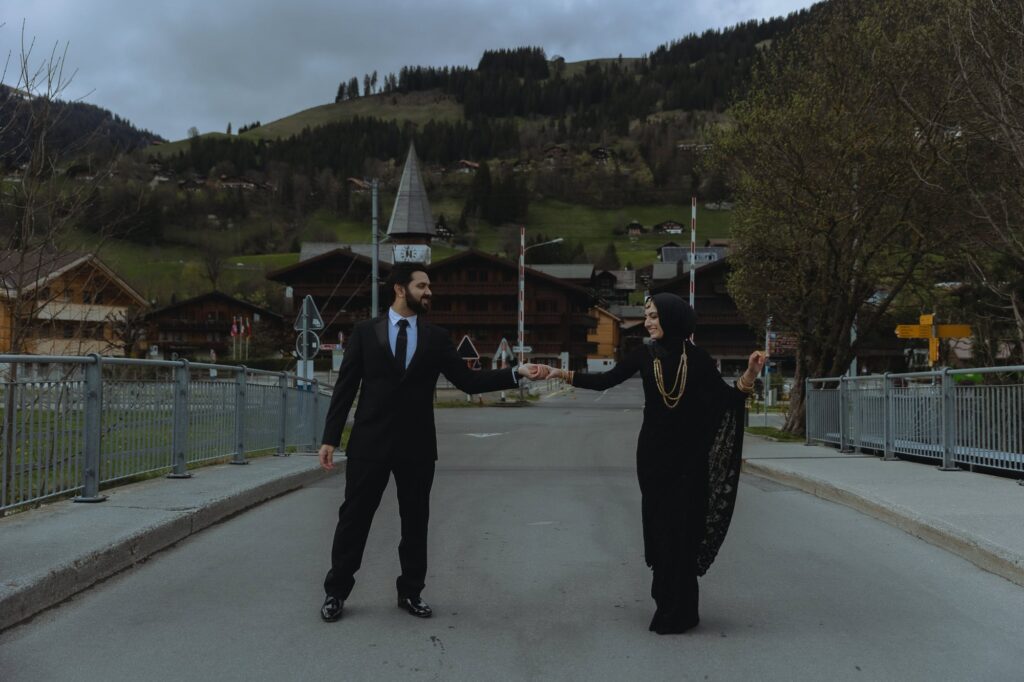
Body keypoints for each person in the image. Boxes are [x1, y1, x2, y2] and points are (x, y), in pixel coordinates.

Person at [317, 262, 547, 622]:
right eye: (422, 286)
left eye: (429, 287)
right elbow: (345, 388)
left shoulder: (436, 337)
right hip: (369, 444)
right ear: (399, 289)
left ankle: (411, 592)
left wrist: (515, 372)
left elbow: (468, 383)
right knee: (354, 520)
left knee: (415, 522)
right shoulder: (364, 332)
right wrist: (330, 438)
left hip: (417, 446)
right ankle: (336, 592)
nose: (429, 293)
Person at [546, 293, 764, 634]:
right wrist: (555, 372)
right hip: (654, 460)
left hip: (690, 461)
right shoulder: (644, 355)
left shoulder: (699, 359)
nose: (647, 321)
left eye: (652, 315)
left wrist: (751, 372)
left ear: (672, 318)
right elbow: (606, 380)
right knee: (662, 529)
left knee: (685, 530)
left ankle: (683, 608)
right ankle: (666, 601)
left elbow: (728, 399)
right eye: (646, 315)